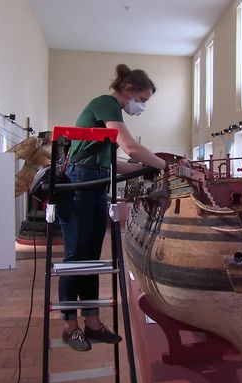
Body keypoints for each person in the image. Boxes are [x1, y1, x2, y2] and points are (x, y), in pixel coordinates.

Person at [57, 64, 169, 351]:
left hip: (93, 183)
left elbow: (110, 163)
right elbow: (130, 148)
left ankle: (92, 323)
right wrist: (164, 165)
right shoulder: (106, 104)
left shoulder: (109, 117)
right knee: (76, 259)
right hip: (78, 185)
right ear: (128, 90)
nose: (141, 106)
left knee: (91, 257)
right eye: (142, 100)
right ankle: (70, 327)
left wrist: (142, 167)